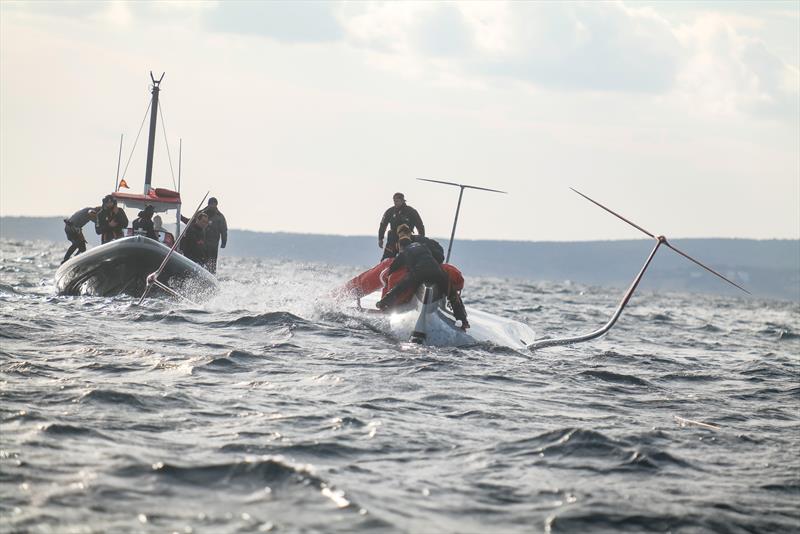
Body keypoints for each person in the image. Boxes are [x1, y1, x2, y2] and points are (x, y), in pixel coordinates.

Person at [376, 237, 469, 329]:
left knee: (401, 286)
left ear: (401, 247)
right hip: (437, 271)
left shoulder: (405, 252)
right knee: (452, 295)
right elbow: (438, 257)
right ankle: (463, 321)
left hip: (419, 272)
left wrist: (388, 275)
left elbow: (394, 266)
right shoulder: (424, 246)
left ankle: (383, 303)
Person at [378, 192, 425, 260]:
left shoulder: (411, 211)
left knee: (406, 258)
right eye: (394, 201)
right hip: (392, 240)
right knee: (386, 259)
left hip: (406, 239)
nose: (395, 203)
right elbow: (383, 225)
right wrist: (380, 238)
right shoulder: (390, 211)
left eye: (397, 201)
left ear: (402, 200)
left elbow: (420, 225)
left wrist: (421, 238)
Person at [201, 197, 227, 274]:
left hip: (213, 244)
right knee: (202, 261)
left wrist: (223, 242)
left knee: (212, 263)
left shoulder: (220, 216)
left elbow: (224, 230)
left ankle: (212, 275)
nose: (212, 206)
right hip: (202, 243)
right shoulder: (201, 213)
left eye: (214, 204)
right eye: (211, 204)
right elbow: (193, 222)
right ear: (208, 204)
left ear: (216, 205)